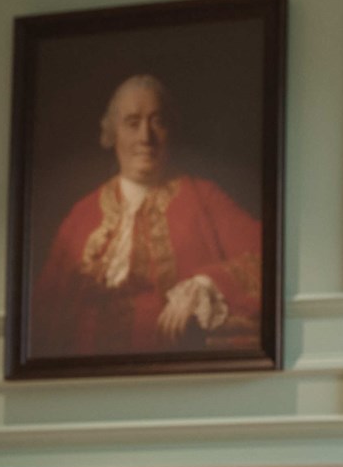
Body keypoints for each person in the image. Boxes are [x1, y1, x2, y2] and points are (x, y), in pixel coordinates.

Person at [29, 75, 263, 358]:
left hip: (178, 376)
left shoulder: (204, 197)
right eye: (132, 123)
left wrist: (204, 285)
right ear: (113, 133)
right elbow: (41, 320)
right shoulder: (81, 215)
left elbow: (266, 257)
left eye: (157, 122)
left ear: (170, 132)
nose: (145, 137)